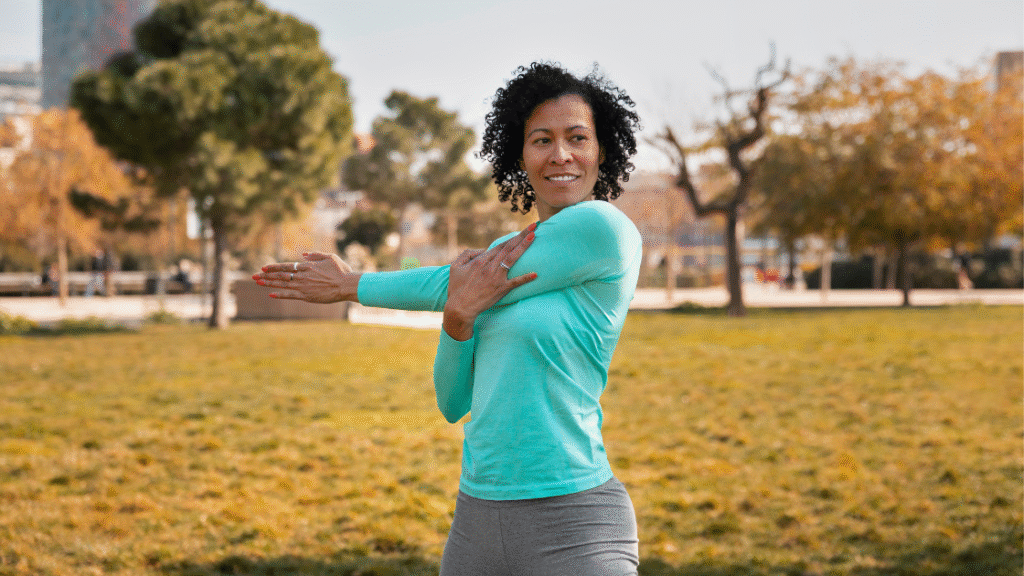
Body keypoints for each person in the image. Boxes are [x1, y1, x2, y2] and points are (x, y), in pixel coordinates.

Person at [254, 62, 643, 575]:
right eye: (541, 140)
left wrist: (352, 285)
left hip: (573, 521)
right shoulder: (498, 263)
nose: (560, 155)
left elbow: (446, 281)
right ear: (520, 155)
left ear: (602, 150)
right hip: (477, 521)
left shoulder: (602, 230)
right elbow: (452, 402)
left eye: (577, 138)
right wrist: (457, 323)